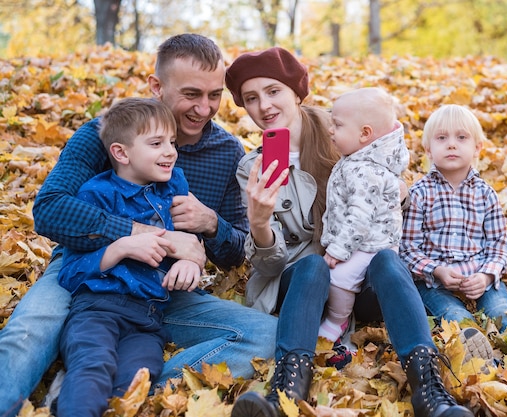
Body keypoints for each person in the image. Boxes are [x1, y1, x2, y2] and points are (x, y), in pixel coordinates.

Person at [0, 34, 277, 417]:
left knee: (264, 334)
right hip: (90, 273)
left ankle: (117, 389)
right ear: (156, 87)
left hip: (164, 289)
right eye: (191, 94)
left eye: (214, 95)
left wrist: (211, 226)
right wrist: (152, 236)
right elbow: (50, 209)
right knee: (26, 336)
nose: (204, 108)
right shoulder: (111, 132)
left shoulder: (226, 152)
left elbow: (237, 253)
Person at [225, 47, 473, 417]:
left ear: (296, 92)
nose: (264, 105)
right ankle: (286, 392)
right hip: (302, 289)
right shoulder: (253, 167)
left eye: (273, 91)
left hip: (359, 282)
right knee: (313, 266)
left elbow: (389, 170)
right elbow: (270, 267)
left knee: (388, 259)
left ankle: (430, 392)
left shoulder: (343, 132)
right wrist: (259, 223)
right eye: (251, 98)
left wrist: (397, 192)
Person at [56, 98, 202, 417]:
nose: (170, 151)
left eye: (172, 142)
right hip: (98, 309)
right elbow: (70, 274)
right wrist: (121, 246)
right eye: (156, 143)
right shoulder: (96, 195)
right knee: (93, 367)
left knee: (138, 378)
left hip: (148, 318)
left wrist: (189, 262)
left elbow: (189, 243)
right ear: (121, 153)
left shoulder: (173, 187)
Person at [399, 104, 507, 364]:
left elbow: (498, 244)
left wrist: (487, 275)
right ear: (429, 150)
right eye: (442, 138)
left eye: (461, 138)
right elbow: (408, 248)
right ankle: (479, 357)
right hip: (435, 282)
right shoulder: (419, 193)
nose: (451, 145)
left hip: (479, 275)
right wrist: (436, 270)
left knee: (501, 311)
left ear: (477, 148)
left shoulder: (485, 193)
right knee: (453, 316)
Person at [318, 87, 409, 349]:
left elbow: (359, 218)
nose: (330, 130)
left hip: (372, 242)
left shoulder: (363, 170)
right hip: (367, 238)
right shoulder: (358, 158)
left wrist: (338, 250)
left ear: (365, 134)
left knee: (339, 277)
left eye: (337, 125)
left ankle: (338, 320)